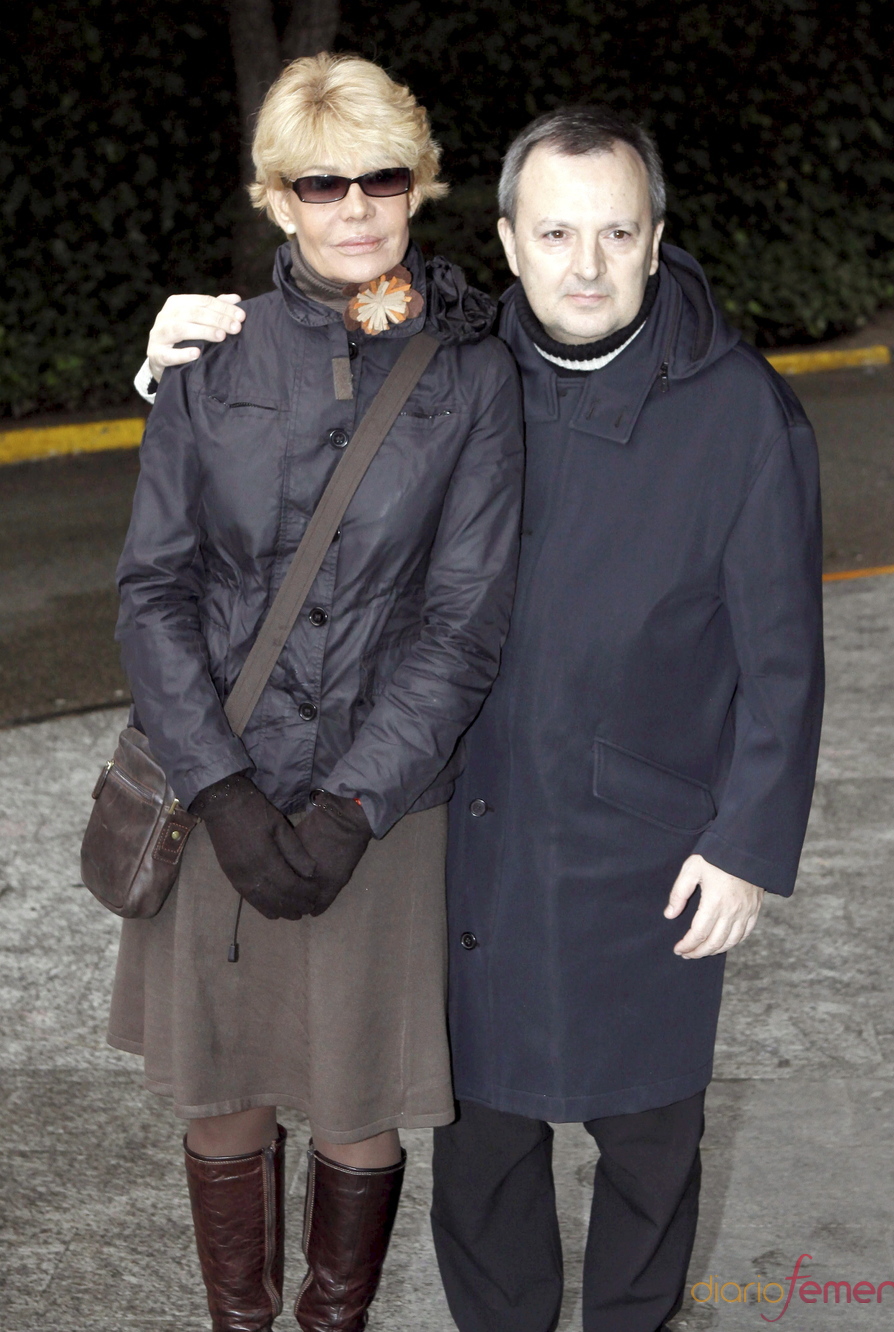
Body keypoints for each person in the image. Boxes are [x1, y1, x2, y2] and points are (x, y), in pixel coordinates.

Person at [141, 104, 823, 1332]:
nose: (585, 263)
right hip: (477, 829)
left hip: (654, 850)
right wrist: (169, 350)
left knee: (650, 1149)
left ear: (657, 239)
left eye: (616, 231)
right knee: (487, 1155)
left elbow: (783, 658)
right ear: (505, 241)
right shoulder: (453, 355)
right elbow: (305, 383)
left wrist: (747, 843)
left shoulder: (740, 412)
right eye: (554, 232)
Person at [111, 52, 522, 1332]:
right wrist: (226, 797)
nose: (356, 207)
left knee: (358, 1100)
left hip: (382, 807)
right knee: (222, 1085)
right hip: (217, 773)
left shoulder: (468, 375)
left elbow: (463, 626)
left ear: (419, 187)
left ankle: (330, 1321)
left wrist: (347, 806)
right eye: (321, 182)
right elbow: (153, 594)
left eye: (382, 177)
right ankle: (239, 1323)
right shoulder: (207, 358)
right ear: (276, 199)